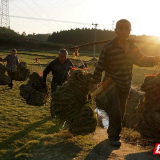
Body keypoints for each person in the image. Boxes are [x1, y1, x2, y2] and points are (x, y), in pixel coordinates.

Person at [93, 19, 160, 147]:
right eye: (121, 28)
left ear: (130, 31)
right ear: (116, 30)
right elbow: (100, 65)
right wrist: (96, 80)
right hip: (110, 83)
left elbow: (142, 60)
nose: (124, 31)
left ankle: (111, 130)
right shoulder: (109, 47)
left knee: (121, 110)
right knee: (116, 109)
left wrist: (157, 59)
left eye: (127, 28)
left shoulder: (132, 47)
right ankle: (114, 136)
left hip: (125, 84)